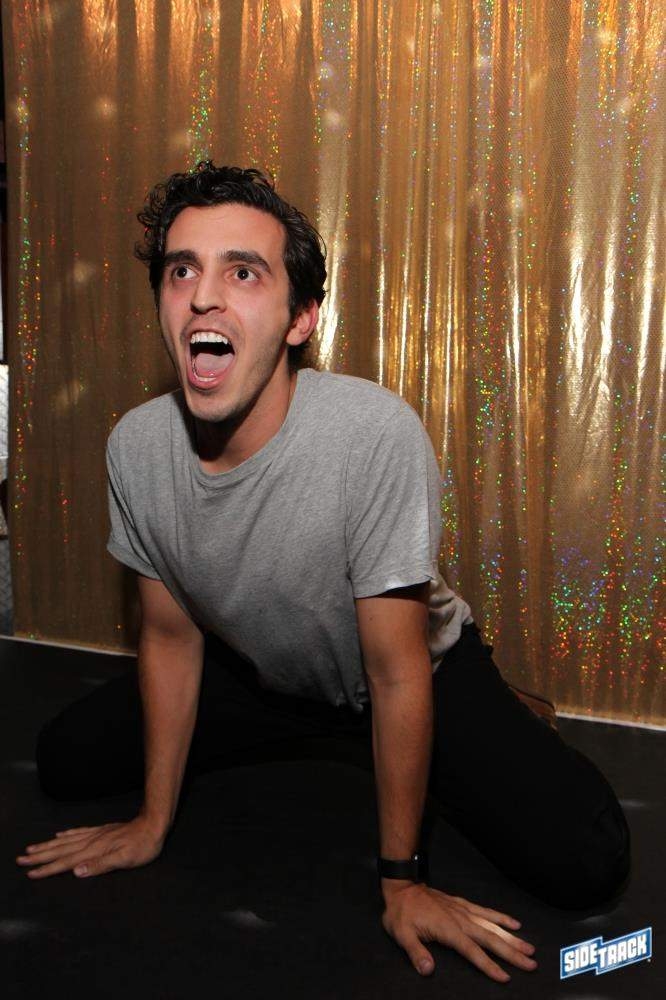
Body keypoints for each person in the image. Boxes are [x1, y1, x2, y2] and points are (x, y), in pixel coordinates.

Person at [16, 163, 630, 983]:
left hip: (408, 672)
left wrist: (402, 882)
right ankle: (316, 732)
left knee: (588, 861)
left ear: (300, 318)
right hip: (262, 669)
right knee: (65, 761)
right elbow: (167, 636)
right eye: (181, 271)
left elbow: (396, 670)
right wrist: (152, 824)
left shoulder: (372, 435)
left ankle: (501, 707)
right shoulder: (135, 447)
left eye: (243, 273)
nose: (203, 297)